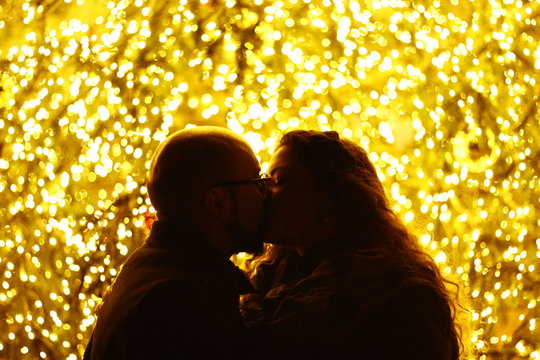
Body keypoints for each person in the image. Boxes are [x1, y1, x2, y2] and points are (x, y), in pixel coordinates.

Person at [244, 130, 463, 359]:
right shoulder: (264, 285)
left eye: (279, 181)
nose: (264, 193)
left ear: (332, 195)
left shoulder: (401, 296)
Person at [84, 126, 271, 359]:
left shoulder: (147, 269)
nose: (266, 192)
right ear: (217, 201)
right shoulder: (182, 300)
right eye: (257, 181)